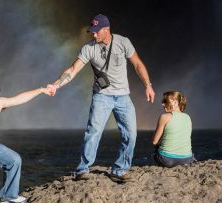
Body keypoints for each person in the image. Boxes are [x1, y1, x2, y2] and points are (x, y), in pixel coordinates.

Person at [48, 14, 155, 181]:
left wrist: (148, 85)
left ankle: (119, 170)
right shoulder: (88, 48)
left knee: (131, 134)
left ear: (107, 30)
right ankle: (83, 169)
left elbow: (137, 64)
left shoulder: (123, 42)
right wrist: (56, 85)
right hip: (102, 96)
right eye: (92, 32)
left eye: (97, 32)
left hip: (123, 97)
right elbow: (73, 70)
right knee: (93, 132)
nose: (94, 34)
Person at [152, 91, 194, 167]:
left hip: (167, 160)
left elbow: (154, 141)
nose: (162, 104)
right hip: (187, 159)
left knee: (156, 149)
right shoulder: (188, 118)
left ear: (175, 103)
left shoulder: (164, 117)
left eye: (165, 101)